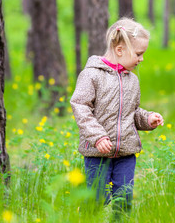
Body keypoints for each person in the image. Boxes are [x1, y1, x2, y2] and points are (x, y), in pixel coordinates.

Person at [70, 17, 164, 218]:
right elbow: (81, 106)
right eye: (138, 54)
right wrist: (98, 137)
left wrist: (147, 119)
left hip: (126, 152)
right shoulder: (91, 75)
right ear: (120, 50)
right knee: (97, 197)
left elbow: (133, 112)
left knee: (123, 197)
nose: (141, 59)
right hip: (98, 152)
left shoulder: (133, 80)